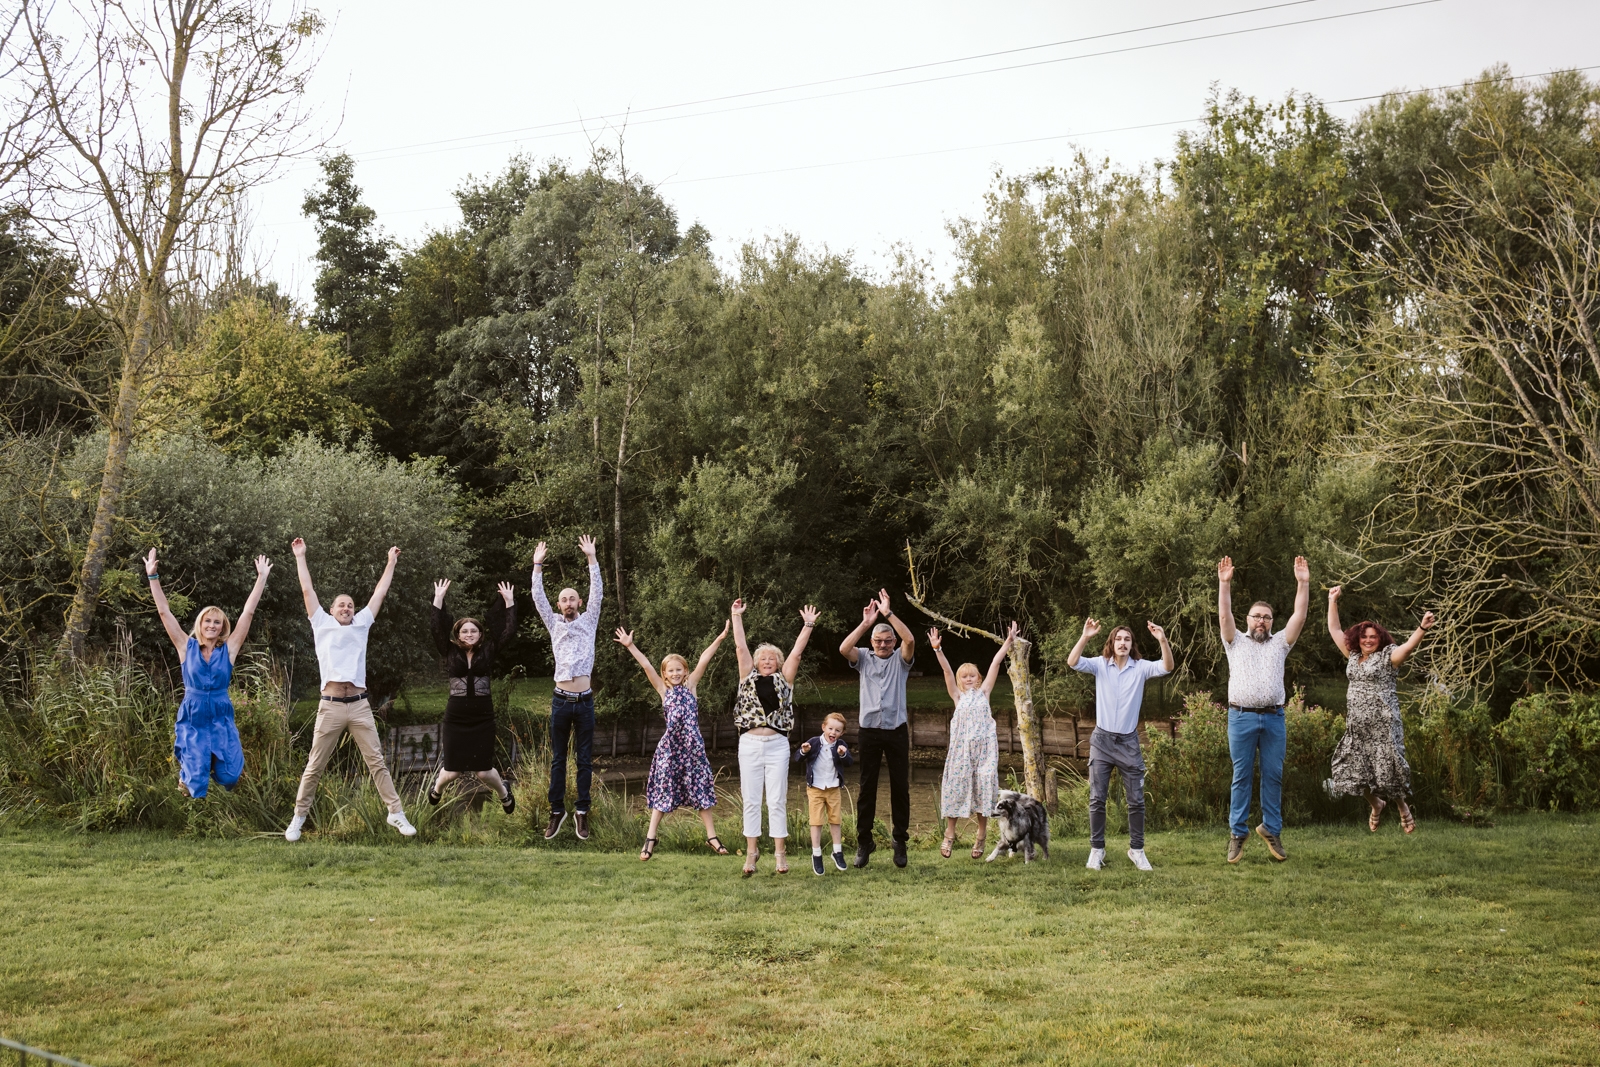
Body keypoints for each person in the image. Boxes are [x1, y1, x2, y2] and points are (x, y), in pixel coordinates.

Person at [285, 538, 415, 841]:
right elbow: (307, 590)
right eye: (341, 604)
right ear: (331, 609)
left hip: (358, 705)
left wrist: (391, 562)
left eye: (350, 605)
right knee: (315, 765)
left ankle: (395, 812)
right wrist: (301, 556)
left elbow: (380, 592)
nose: (346, 608)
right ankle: (298, 817)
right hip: (330, 705)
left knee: (376, 761)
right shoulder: (321, 622)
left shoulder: (362, 624)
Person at [143, 548, 271, 799]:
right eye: (208, 621)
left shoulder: (229, 649)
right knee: (195, 785)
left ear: (223, 627)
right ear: (200, 625)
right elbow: (164, 613)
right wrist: (153, 577)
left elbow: (248, 613)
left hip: (221, 713)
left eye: (217, 622)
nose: (212, 626)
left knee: (230, 775)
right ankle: (190, 796)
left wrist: (261, 578)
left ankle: (202, 767)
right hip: (194, 713)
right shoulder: (185, 646)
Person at [1217, 554, 1310, 864]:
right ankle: (1237, 834)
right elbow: (1223, 615)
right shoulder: (1234, 642)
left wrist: (1303, 583)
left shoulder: (1280, 643)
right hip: (1240, 717)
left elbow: (1299, 615)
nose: (1261, 621)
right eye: (1257, 616)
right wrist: (1224, 585)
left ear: (1272, 622)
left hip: (1273, 719)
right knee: (1241, 777)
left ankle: (1271, 830)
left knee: (1273, 776)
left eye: (1267, 617)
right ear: (1248, 620)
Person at [615, 622, 731, 862]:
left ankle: (711, 837)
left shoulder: (691, 687)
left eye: (679, 669)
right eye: (671, 671)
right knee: (663, 792)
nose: (676, 673)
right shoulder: (663, 691)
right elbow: (646, 665)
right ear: (665, 674)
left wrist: (720, 638)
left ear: (685, 672)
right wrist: (630, 646)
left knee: (700, 791)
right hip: (670, 750)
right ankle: (650, 838)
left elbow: (704, 659)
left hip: (693, 748)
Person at [1324, 587, 1436, 833]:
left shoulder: (1388, 657)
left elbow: (1406, 648)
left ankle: (1403, 808)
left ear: (1380, 638)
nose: (1368, 640)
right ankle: (1377, 804)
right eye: (1364, 636)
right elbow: (1334, 630)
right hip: (1357, 726)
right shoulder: (1353, 656)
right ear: (1358, 639)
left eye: (1373, 636)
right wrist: (1332, 601)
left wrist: (1423, 628)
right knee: (1347, 770)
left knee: (1389, 770)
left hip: (1384, 725)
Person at [1067, 617, 1174, 871]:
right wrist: (1085, 636)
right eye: (1118, 639)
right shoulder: (1100, 665)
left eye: (1127, 639)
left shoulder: (1141, 667)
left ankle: (1136, 850)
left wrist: (1163, 640)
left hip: (1128, 743)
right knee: (1097, 799)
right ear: (1111, 643)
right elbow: (1072, 662)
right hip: (1102, 741)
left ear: (1132, 644)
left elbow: (1167, 667)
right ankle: (1097, 850)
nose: (1123, 643)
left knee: (1136, 801)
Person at [730, 598, 821, 876]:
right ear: (756, 663)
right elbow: (740, 647)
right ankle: (751, 853)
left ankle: (780, 854)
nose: (767, 661)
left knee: (777, 799)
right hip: (749, 744)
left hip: (777, 745)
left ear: (777, 663)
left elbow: (795, 653)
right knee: (751, 799)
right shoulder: (747, 676)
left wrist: (808, 625)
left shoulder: (785, 679)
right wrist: (736, 616)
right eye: (763, 659)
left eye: (772, 658)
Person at [531, 535, 602, 842]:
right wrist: (537, 566)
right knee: (559, 759)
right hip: (561, 701)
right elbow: (537, 598)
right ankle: (556, 810)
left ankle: (582, 813)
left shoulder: (590, 620)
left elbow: (598, 592)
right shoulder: (554, 623)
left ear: (579, 603)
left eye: (573, 598)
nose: (569, 602)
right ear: (559, 605)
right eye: (564, 599)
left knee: (584, 759)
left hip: (584, 702)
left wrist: (591, 558)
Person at [838, 589, 916, 869]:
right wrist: (866, 623)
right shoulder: (863, 657)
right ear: (872, 642)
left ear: (893, 642)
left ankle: (900, 841)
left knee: (900, 787)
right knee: (867, 787)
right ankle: (864, 842)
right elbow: (843, 649)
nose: (883, 645)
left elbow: (910, 639)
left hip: (896, 729)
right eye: (878, 641)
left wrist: (888, 614)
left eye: (887, 641)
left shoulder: (901, 660)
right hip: (869, 730)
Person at [427, 578, 519, 814]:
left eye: (474, 631)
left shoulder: (489, 649)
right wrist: (438, 598)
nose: (469, 634)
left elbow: (509, 631)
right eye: (465, 631)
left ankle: (504, 793)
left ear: (480, 634)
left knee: (483, 772)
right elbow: (436, 628)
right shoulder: (448, 650)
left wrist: (509, 602)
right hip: (456, 716)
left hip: (482, 716)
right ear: (458, 634)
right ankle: (437, 788)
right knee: (452, 771)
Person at [927, 622, 1017, 860]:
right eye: (964, 676)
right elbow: (947, 671)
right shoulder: (957, 697)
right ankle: (950, 832)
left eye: (973, 675)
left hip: (985, 751)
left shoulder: (985, 693)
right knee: (956, 787)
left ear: (979, 678)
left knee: (984, 789)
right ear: (960, 680)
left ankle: (981, 834)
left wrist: (1008, 642)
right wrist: (937, 649)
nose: (969, 679)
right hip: (961, 751)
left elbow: (996, 663)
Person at [793, 712, 854, 875]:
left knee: (835, 820)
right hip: (815, 788)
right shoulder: (813, 742)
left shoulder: (841, 745)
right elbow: (797, 758)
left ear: (842, 733)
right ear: (823, 728)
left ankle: (837, 852)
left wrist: (843, 754)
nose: (833, 733)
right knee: (816, 821)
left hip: (833, 787)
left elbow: (849, 762)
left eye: (838, 730)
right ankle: (816, 853)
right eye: (831, 729)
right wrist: (804, 751)